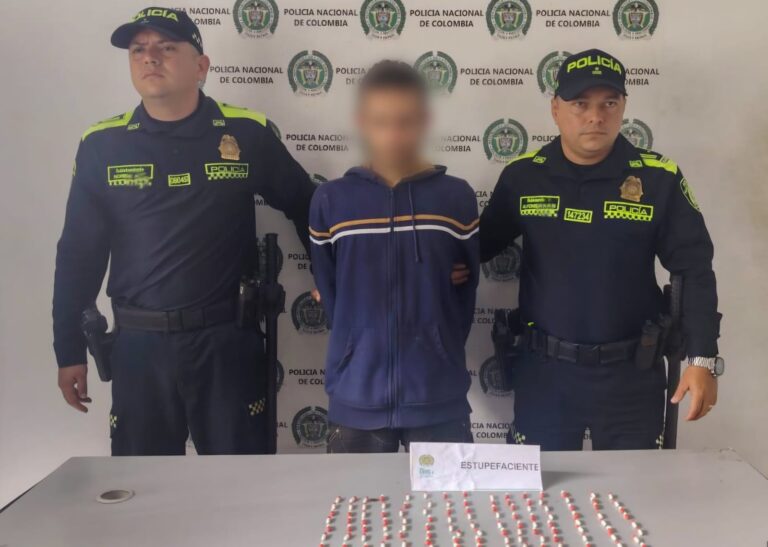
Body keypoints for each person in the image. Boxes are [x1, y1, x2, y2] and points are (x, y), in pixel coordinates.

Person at [53, 7, 316, 455]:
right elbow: (79, 254)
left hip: (226, 342)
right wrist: (69, 350)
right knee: (142, 487)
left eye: (167, 47)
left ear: (201, 65)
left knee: (241, 484)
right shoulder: (102, 145)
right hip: (139, 349)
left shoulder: (246, 132)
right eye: (139, 50)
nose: (150, 58)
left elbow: (309, 208)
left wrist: (331, 281)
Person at [479, 49, 723, 450]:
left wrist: (702, 359)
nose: (595, 116)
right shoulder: (523, 176)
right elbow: (476, 248)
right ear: (556, 109)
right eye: (580, 104)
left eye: (609, 103)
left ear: (623, 106)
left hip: (631, 375)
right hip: (545, 376)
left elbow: (694, 269)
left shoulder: (658, 179)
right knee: (541, 488)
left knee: (637, 487)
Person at [309, 60, 479, 453]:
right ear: (362, 122)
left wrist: (439, 349)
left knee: (449, 498)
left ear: (424, 121)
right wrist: (354, 348)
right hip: (355, 399)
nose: (393, 135)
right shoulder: (331, 200)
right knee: (354, 497)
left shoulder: (456, 197)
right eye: (381, 122)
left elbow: (466, 291)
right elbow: (330, 291)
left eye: (406, 121)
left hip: (438, 396)